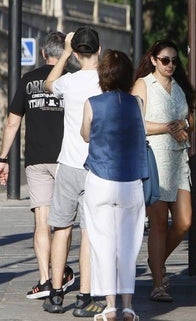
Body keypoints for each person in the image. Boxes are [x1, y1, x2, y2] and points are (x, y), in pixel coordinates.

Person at [0, 32, 75, 299]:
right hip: (67, 158)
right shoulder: (71, 80)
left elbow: (12, 122)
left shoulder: (28, 80)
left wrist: (3, 158)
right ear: (65, 55)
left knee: (41, 221)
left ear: (44, 54)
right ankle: (59, 276)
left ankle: (44, 278)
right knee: (62, 223)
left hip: (35, 160)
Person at [80, 50, 147, 321]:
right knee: (128, 246)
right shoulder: (137, 103)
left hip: (99, 178)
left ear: (103, 74)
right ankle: (128, 305)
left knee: (102, 243)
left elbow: (85, 135)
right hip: (130, 180)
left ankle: (109, 306)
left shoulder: (92, 102)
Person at [42, 26, 104, 316]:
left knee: (61, 229)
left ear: (77, 53)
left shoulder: (69, 81)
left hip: (68, 164)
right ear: (99, 50)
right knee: (89, 233)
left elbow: (48, 83)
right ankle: (85, 296)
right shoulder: (106, 82)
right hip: (96, 167)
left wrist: (65, 51)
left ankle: (55, 295)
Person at [131, 39, 196, 302]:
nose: (170, 65)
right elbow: (137, 122)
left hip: (178, 160)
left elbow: (191, 119)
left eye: (173, 60)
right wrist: (167, 127)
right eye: (165, 60)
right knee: (158, 224)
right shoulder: (143, 84)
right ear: (153, 60)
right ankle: (158, 284)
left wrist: (184, 126)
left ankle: (155, 260)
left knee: (184, 222)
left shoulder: (180, 88)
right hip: (154, 159)